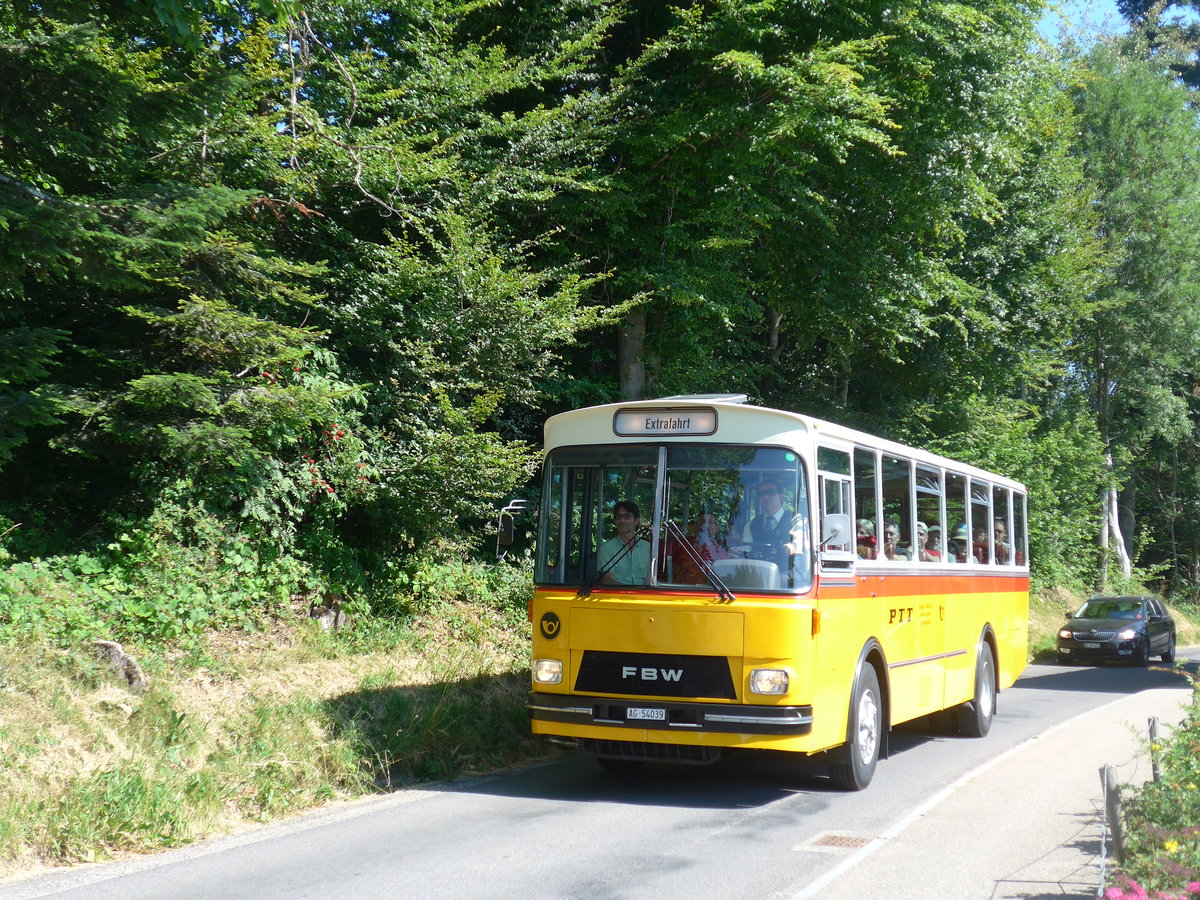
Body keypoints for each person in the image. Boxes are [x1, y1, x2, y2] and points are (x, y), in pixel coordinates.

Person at [737, 479, 807, 567]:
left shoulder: (796, 521)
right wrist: (738, 551)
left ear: (781, 496)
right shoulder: (751, 525)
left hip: (787, 572)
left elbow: (798, 546)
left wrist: (789, 548)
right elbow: (746, 551)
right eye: (761, 494)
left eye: (770, 493)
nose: (765, 496)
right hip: (756, 571)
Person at [669, 511, 731, 584]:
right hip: (680, 587)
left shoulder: (721, 551)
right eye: (702, 522)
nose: (706, 525)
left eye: (710, 522)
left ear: (717, 528)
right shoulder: (682, 543)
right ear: (696, 526)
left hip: (709, 588)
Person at [598, 500, 651, 585]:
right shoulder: (607, 548)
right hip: (617, 593)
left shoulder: (648, 547)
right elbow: (607, 580)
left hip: (643, 592)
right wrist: (629, 592)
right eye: (618, 517)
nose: (622, 520)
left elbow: (650, 579)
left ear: (636, 521)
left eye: (627, 516)